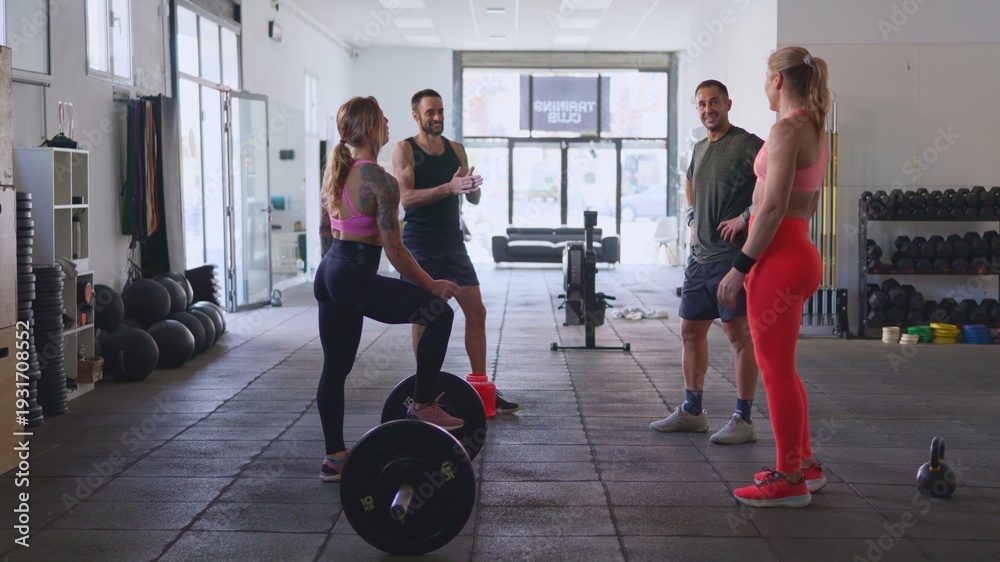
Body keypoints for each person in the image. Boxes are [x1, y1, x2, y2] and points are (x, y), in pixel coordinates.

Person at [314, 96, 465, 482]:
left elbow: (327, 232)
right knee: (439, 313)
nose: (387, 123)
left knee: (335, 369)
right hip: (352, 275)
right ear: (369, 129)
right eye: (382, 119)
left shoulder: (335, 172)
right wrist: (433, 285)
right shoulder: (381, 182)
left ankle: (335, 458)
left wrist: (336, 275)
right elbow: (395, 250)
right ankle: (423, 404)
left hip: (329, 272)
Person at [718, 46, 832, 507]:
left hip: (779, 259)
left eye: (766, 80)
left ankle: (788, 479)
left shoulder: (786, 129)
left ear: (779, 81)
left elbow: (773, 207)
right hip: (798, 251)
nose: (764, 88)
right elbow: (791, 204)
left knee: (775, 371)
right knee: (784, 368)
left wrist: (739, 266)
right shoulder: (813, 127)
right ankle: (804, 463)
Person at [392, 88, 520, 414]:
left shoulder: (456, 149)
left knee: (476, 313)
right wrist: (448, 188)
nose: (437, 118)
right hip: (419, 243)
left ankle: (480, 388)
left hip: (453, 243)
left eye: (440, 111)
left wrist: (471, 188)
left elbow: (468, 198)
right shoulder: (404, 149)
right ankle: (426, 392)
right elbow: (405, 199)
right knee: (423, 319)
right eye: (430, 112)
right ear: (416, 115)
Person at [649, 80, 763, 445]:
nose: (707, 109)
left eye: (714, 102)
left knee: (738, 336)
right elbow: (688, 182)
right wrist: (693, 218)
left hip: (733, 259)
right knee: (689, 331)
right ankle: (693, 411)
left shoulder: (748, 144)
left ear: (728, 103)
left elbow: (776, 184)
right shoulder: (698, 148)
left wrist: (746, 215)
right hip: (700, 259)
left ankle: (743, 419)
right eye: (701, 104)